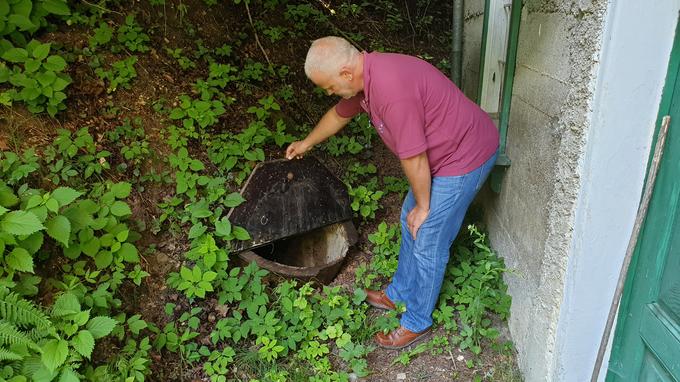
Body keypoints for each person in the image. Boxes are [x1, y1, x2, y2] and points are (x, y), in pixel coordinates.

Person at [286, 36, 499, 349]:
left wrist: (424, 206)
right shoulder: (365, 79)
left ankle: (417, 321)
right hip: (439, 156)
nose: (330, 93)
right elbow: (337, 114)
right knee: (406, 218)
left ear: (345, 73)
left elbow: (413, 157)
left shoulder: (391, 90)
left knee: (426, 233)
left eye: (329, 86)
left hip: (466, 155)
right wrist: (307, 142)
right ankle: (398, 293)